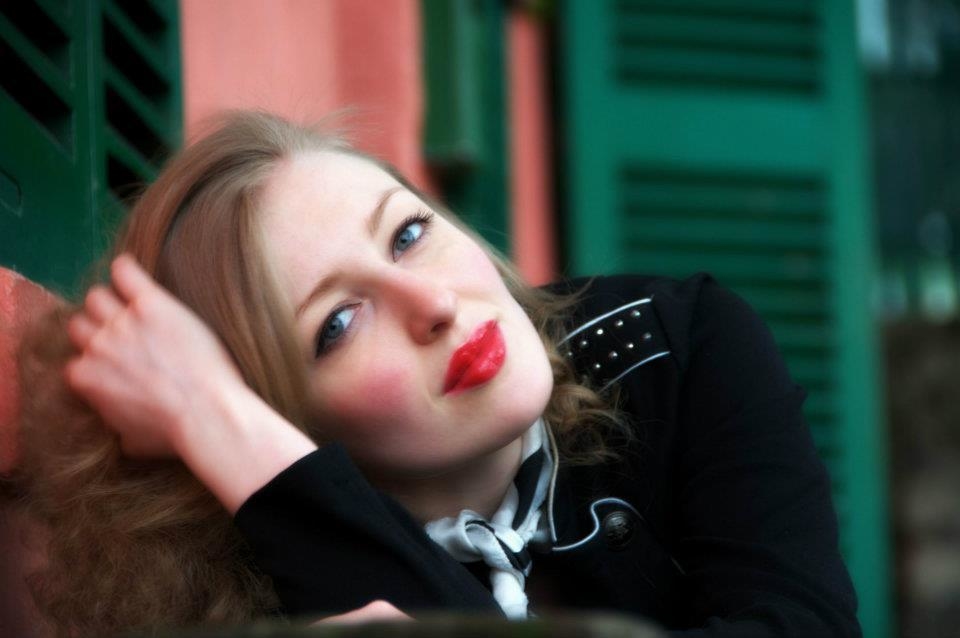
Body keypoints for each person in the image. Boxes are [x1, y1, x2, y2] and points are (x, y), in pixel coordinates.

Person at [14, 111, 860, 637]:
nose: (433, 304)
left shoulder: (675, 346)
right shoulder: (267, 594)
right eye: (338, 324)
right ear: (284, 418)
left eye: (409, 234)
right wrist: (228, 432)